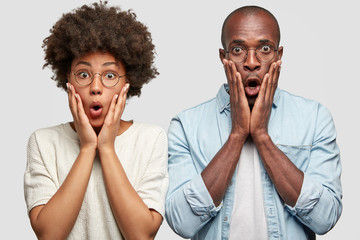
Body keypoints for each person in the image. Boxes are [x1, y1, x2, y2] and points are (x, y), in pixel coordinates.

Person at [165, 5, 342, 240]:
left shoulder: (315, 117)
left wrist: (261, 136)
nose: (251, 62)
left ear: (278, 56)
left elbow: (326, 218)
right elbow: (181, 223)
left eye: (265, 49)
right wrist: (237, 134)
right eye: (237, 49)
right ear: (223, 57)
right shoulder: (185, 126)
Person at [24, 2, 168, 240]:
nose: (96, 87)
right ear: (67, 80)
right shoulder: (43, 142)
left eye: (110, 75)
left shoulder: (151, 139)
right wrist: (88, 147)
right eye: (83, 74)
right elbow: (49, 235)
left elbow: (141, 235)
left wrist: (107, 148)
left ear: (128, 82)